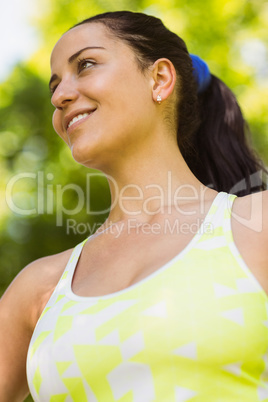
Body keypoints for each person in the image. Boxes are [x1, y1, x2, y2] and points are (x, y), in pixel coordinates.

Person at [0, 10, 267, 402]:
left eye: (86, 65)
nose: (59, 97)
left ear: (159, 79)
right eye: (54, 86)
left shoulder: (256, 227)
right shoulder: (39, 287)